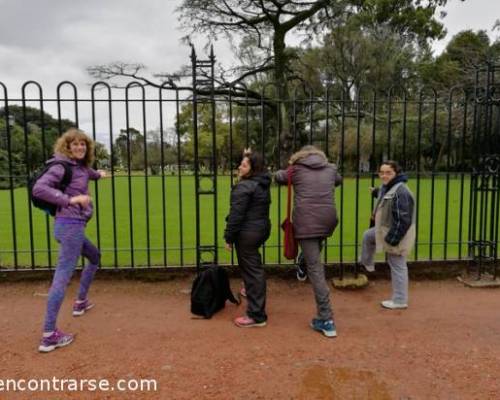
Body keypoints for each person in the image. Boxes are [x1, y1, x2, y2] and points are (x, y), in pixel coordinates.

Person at [33, 128, 105, 352]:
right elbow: (39, 188)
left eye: (83, 144)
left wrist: (99, 174)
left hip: (73, 228)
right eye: (75, 144)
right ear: (67, 146)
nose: (79, 147)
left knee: (94, 257)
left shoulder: (81, 167)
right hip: (70, 228)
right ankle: (49, 335)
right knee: (62, 277)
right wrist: (71, 199)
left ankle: (80, 302)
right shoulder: (60, 166)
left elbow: (87, 174)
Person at [275, 145, 342, 338]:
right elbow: (338, 180)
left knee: (316, 267)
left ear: (300, 156)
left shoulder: (295, 170)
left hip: (306, 222)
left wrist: (289, 167)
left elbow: (278, 177)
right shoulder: (330, 168)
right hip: (328, 220)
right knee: (313, 251)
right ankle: (302, 263)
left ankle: (326, 318)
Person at [224, 149, 271, 328]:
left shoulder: (245, 186)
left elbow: (236, 215)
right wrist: (249, 154)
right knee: (252, 268)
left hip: (248, 232)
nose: (239, 167)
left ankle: (257, 315)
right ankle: (250, 291)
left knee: (253, 271)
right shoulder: (261, 183)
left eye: (244, 165)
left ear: (253, 169)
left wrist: (228, 237)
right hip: (261, 229)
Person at [360, 160, 415, 310]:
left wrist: (392, 239)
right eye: (381, 172)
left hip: (396, 233)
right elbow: (384, 194)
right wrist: (375, 192)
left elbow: (404, 219)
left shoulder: (401, 192)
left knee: (398, 265)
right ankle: (367, 263)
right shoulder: (389, 187)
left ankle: (399, 300)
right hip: (385, 230)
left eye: (388, 172)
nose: (384, 175)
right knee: (368, 236)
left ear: (396, 173)